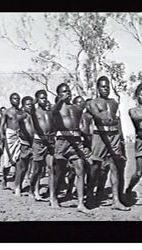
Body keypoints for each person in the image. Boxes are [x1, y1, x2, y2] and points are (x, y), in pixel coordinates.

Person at [87, 76, 129, 211]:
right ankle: (89, 196)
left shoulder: (114, 102)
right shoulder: (93, 103)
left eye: (108, 87)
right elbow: (98, 116)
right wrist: (105, 119)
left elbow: (117, 121)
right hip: (100, 135)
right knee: (96, 167)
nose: (106, 89)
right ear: (98, 88)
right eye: (103, 87)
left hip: (114, 135)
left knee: (115, 166)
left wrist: (121, 139)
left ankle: (116, 200)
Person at [52, 83, 91, 213]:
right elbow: (53, 112)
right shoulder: (57, 109)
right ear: (59, 94)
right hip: (62, 141)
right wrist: (60, 101)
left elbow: (85, 112)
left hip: (76, 141)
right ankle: (54, 197)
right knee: (60, 172)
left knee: (80, 170)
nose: (67, 93)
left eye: (68, 91)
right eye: (63, 91)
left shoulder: (75, 108)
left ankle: (80, 203)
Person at [29, 90, 55, 201]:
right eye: (42, 98)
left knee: (51, 168)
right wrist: (36, 99)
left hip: (50, 142)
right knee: (37, 170)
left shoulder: (49, 112)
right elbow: (29, 106)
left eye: (45, 98)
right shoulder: (34, 112)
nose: (44, 100)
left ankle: (52, 194)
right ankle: (33, 190)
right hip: (38, 142)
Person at [0, 93, 22, 189]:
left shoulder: (22, 112)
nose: (17, 100)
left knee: (19, 160)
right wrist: (2, 135)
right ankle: (4, 178)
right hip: (9, 136)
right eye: (14, 99)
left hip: (19, 136)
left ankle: (17, 184)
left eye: (18, 99)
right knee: (7, 161)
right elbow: (1, 126)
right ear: (10, 100)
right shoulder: (7, 112)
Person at [13, 96, 35, 196]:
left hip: (33, 143)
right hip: (24, 143)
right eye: (27, 104)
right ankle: (17, 187)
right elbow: (17, 119)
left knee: (28, 168)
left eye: (31, 104)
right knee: (21, 167)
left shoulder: (33, 116)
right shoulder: (23, 115)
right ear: (23, 106)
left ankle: (29, 187)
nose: (30, 106)